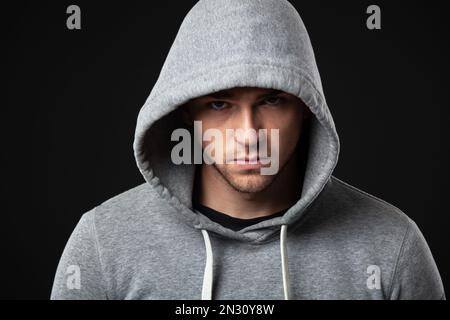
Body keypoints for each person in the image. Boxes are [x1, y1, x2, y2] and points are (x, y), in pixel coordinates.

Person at [51, 0, 445, 299]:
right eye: (220, 104)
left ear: (307, 108)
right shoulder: (105, 240)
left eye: (272, 100)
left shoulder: (392, 245)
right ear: (187, 112)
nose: (249, 133)